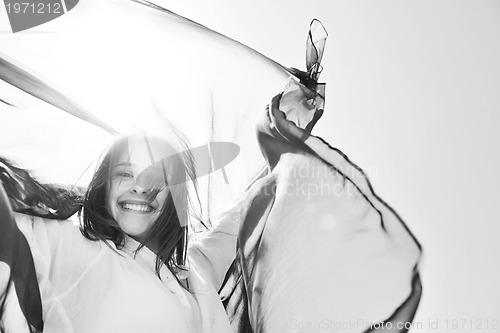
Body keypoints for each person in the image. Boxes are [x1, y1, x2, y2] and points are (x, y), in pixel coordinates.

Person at [7, 133, 247, 333]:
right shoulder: (78, 248)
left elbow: (234, 224)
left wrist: (279, 151)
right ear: (104, 186)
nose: (141, 186)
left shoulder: (195, 269)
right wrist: (51, 196)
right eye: (124, 173)